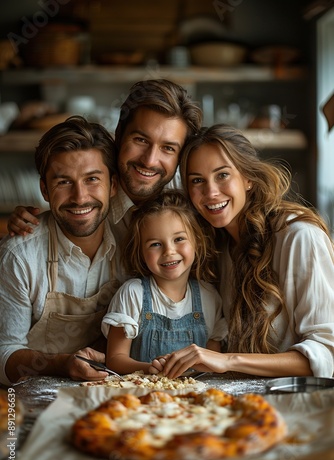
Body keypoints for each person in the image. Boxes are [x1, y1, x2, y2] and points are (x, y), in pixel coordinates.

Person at [159, 124, 334, 379]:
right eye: (197, 180)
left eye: (222, 175)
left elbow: (326, 354)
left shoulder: (298, 237)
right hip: (242, 401)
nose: (211, 192)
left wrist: (228, 360)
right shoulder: (216, 246)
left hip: (299, 405)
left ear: (248, 177)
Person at [6, 79, 203, 246]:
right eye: (141, 140)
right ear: (118, 133)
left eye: (168, 148)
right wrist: (22, 220)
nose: (149, 160)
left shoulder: (193, 195)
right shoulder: (93, 184)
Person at [0, 116, 121, 385]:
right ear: (44, 189)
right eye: (64, 182)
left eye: (92, 179)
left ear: (113, 185)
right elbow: (4, 355)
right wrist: (62, 365)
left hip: (115, 394)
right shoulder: (19, 255)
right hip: (31, 397)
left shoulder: (135, 242)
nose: (80, 197)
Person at [101, 190, 225, 375]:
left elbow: (213, 359)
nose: (169, 251)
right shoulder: (133, 293)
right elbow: (115, 359)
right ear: (140, 252)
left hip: (195, 398)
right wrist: (151, 369)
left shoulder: (209, 296)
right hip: (141, 396)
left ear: (197, 242)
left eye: (179, 239)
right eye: (155, 244)